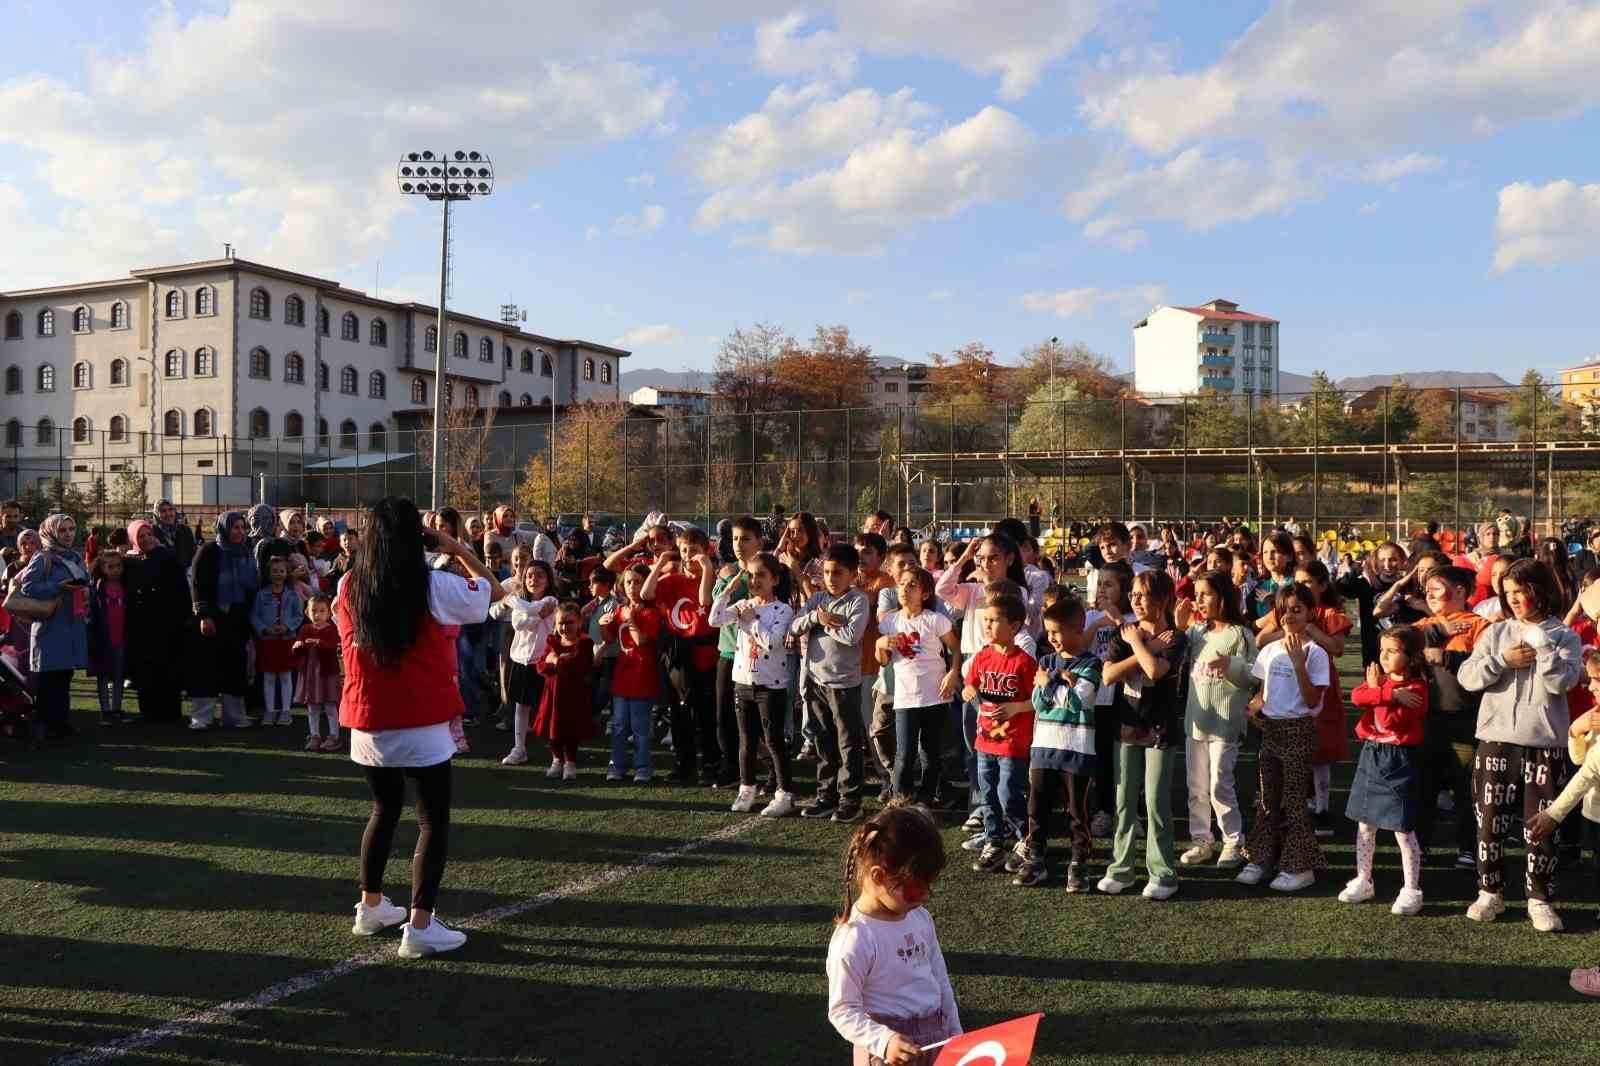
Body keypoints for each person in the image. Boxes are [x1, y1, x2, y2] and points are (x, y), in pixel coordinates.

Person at [339, 498, 500, 957]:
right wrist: (456, 546)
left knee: (383, 809)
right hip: (419, 717)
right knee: (432, 820)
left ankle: (371, 906)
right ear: (418, 536)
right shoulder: (432, 584)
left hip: (367, 718)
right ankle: (421, 925)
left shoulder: (348, 583)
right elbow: (493, 592)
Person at [1458, 558, 1582, 932]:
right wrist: (1502, 661)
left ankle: (1539, 898)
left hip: (1545, 744)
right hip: (1495, 741)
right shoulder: (1496, 633)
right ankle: (1489, 892)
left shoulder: (1564, 636)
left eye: (1521, 591)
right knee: (1489, 822)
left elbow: (1562, 683)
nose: (1513, 599)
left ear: (1540, 591)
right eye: (1508, 592)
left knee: (1541, 826)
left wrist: (1543, 649)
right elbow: (1467, 678)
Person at [826, 803, 959, 1065]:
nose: (924, 897)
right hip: (887, 1052)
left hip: (936, 1035)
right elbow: (842, 1009)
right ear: (878, 876)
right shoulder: (856, 937)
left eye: (929, 886)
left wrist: (956, 1034)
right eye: (915, 889)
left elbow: (940, 980)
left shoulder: (920, 918)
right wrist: (884, 1041)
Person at [1096, 570, 1188, 899]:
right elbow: (1108, 675)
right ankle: (1121, 869)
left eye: (1143, 594)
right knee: (1123, 803)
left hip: (1160, 729)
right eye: (1133, 593)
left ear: (1162, 599)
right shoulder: (1124, 634)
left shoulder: (1175, 638)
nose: (1135, 600)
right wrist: (1144, 646)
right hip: (1126, 727)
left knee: (1156, 803)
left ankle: (1163, 874)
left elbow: (1155, 670)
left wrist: (1138, 644)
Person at [1238, 584, 1331, 893]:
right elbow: (1262, 695)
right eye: (1284, 610)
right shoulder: (1269, 650)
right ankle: (1261, 858)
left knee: (1294, 801)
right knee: (1267, 799)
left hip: (1299, 730)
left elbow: (1311, 699)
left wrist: (1299, 664)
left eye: (1297, 610)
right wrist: (1250, 710)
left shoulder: (1316, 653)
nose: (1290, 616)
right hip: (1271, 731)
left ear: (1310, 613)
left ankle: (1300, 867)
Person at [1339, 626, 1430, 916]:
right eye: (1382, 650)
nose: (1384, 656)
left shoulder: (1417, 690)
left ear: (1411, 656)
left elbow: (1390, 721)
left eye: (1392, 651)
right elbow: (1357, 697)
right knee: (1365, 824)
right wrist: (1388, 692)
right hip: (1372, 755)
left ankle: (1412, 889)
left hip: (1398, 761)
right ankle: (1363, 879)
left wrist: (1379, 693)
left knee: (1403, 829)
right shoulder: (1385, 684)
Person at [1015, 597, 1100, 890]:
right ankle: (1035, 858)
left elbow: (1077, 702)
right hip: (1043, 748)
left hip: (1077, 749)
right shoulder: (1046, 662)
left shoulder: (1091, 663)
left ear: (1078, 630)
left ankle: (1079, 863)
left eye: (1057, 632)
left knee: (1077, 812)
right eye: (1048, 631)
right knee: (1037, 807)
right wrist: (1057, 678)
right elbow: (1038, 703)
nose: (1051, 638)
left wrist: (1049, 683)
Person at [709, 552, 799, 816]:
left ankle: (784, 793)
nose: (754, 580)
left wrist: (751, 620)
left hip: (770, 686)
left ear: (775, 579)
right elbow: (714, 620)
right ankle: (747, 788)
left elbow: (772, 642)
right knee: (746, 741)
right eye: (750, 575)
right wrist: (727, 592)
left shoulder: (783, 610)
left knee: (773, 741)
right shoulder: (743, 604)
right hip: (743, 683)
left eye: (761, 575)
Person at [1176, 569, 1254, 869]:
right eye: (1196, 595)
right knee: (1196, 786)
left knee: (1220, 783)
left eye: (1205, 594)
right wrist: (1179, 628)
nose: (1199, 600)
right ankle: (1201, 840)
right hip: (1196, 721)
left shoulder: (1240, 634)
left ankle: (1233, 841)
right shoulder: (1196, 633)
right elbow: (1177, 660)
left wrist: (1230, 664)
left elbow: (1253, 676)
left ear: (1223, 597)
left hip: (1225, 724)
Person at [791, 543, 869, 822]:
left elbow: (852, 636)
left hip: (844, 684)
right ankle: (826, 796)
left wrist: (823, 623)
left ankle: (851, 800)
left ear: (852, 575)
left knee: (848, 743)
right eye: (826, 572)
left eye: (837, 573)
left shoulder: (858, 601)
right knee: (823, 741)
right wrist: (816, 616)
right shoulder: (817, 599)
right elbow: (794, 626)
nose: (831, 578)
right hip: (815, 681)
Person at [1527, 701, 1600, 995]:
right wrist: (1575, 732)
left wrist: (1553, 814)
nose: (1592, 688)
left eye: (1598, 682)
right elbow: (1581, 759)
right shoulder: (1595, 715)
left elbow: (1589, 772)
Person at [963, 595, 1037, 876]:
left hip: (1012, 742)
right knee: (988, 795)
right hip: (985, 741)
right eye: (985, 620)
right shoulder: (982, 656)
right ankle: (993, 842)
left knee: (1008, 793)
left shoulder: (1024, 662)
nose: (987, 625)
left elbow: (1038, 700)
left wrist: (1016, 707)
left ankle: (1025, 838)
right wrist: (969, 691)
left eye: (994, 620)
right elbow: (969, 685)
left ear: (1014, 626)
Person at [876, 567, 960, 807]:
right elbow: (883, 660)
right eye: (902, 583)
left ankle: (925, 799)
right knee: (904, 753)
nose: (905, 589)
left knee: (930, 752)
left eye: (912, 585)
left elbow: (955, 648)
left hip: (935, 696)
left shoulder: (935, 619)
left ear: (925, 594)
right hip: (905, 698)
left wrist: (953, 672)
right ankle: (900, 799)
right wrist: (880, 644)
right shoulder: (890, 621)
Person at [19, 514, 90, 741]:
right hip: (50, 626)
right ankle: (47, 728)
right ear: (50, 533)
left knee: (64, 676)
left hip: (71, 624)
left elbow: (85, 580)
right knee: (49, 681)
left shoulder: (74, 556)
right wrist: (57, 587)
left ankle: (61, 725)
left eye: (71, 529)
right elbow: (28, 587)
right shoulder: (43, 557)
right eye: (62, 530)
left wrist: (84, 591)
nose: (68, 534)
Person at [707, 517, 765, 788]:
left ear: (759, 542)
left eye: (746, 539)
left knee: (758, 718)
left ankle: (768, 770)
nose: (739, 544)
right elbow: (714, 606)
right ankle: (730, 765)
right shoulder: (728, 571)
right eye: (735, 539)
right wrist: (727, 578)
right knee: (724, 715)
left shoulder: (764, 573)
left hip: (756, 656)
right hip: (728, 653)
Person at [189, 512, 260, 730]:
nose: (239, 532)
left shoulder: (246, 553)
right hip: (213, 618)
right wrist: (204, 615)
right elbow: (197, 584)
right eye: (234, 527)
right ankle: (202, 718)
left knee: (234, 668)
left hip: (237, 619)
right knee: (207, 668)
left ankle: (234, 717)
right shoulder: (209, 551)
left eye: (242, 527)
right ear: (223, 528)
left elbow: (251, 588)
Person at [492, 559, 559, 767]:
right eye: (529, 575)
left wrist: (510, 600)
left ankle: (558, 755)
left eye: (539, 575)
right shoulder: (522, 603)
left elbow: (530, 611)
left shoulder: (551, 600)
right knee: (521, 707)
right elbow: (519, 623)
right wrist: (535, 615)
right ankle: (519, 749)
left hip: (544, 662)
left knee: (550, 709)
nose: (533, 579)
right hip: (520, 661)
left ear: (548, 580)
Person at [122, 520, 188, 723]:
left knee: (168, 667)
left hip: (167, 624)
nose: (146, 539)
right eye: (141, 536)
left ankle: (171, 713)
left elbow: (181, 591)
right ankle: (148, 712)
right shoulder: (130, 561)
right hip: (142, 626)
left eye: (149, 534)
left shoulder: (167, 557)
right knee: (145, 669)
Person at [604, 563, 664, 784]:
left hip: (642, 677)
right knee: (619, 725)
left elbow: (640, 641)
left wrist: (630, 620)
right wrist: (603, 624)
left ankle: (643, 766)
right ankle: (616, 765)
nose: (631, 586)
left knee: (640, 728)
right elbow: (609, 638)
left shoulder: (651, 612)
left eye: (637, 582)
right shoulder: (620, 609)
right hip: (622, 676)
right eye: (628, 582)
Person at [532, 603, 594, 779]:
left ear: (579, 622)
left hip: (574, 695)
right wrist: (556, 662)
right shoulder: (553, 642)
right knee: (553, 729)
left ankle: (570, 762)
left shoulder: (584, 643)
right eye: (561, 623)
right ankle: (557, 760)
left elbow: (579, 667)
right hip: (553, 694)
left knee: (571, 729)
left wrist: (556, 661)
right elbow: (541, 667)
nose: (565, 627)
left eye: (569, 622)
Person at [252, 556, 304, 727]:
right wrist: (264, 629)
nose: (278, 574)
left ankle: (285, 711)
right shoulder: (261, 595)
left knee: (285, 676)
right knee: (268, 677)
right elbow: (254, 616)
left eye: (281, 571)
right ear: (268, 573)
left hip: (287, 641)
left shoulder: (293, 595)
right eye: (274, 571)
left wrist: (288, 627)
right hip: (268, 641)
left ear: (287, 573)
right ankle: (270, 711)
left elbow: (299, 616)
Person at [87, 549, 129, 725]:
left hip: (122, 638)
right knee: (103, 676)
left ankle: (116, 708)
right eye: (110, 567)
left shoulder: (126, 586)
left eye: (118, 566)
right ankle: (105, 711)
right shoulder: (97, 588)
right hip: (103, 640)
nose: (115, 570)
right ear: (102, 568)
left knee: (119, 675)